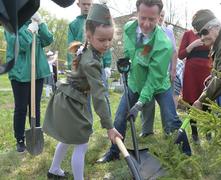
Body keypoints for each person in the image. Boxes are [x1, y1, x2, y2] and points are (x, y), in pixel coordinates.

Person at [43, 4, 122, 179]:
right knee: (81, 142)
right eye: (102, 40)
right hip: (71, 102)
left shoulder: (87, 48)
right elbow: (99, 96)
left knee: (67, 137)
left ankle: (54, 170)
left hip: (68, 99)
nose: (107, 44)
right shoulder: (91, 62)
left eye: (109, 39)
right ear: (89, 35)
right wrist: (109, 126)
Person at [97, 0, 182, 163]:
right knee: (120, 118)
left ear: (159, 18)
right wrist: (126, 62)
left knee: (171, 119)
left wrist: (141, 103)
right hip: (135, 82)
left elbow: (153, 78)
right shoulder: (129, 28)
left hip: (158, 85)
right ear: (137, 14)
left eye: (152, 19)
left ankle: (181, 154)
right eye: (143, 18)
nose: (146, 24)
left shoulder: (163, 44)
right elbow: (133, 52)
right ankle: (114, 151)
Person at [4, 12, 53, 153]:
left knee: (35, 105)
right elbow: (21, 45)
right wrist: (29, 31)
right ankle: (19, 139)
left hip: (36, 72)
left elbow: (48, 39)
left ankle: (35, 135)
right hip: (20, 72)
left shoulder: (35, 22)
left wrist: (41, 23)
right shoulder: (11, 25)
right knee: (21, 108)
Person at [139, 9, 178, 137]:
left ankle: (169, 130)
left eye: (162, 16)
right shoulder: (147, 33)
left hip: (163, 75)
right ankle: (146, 130)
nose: (160, 18)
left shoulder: (168, 32)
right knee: (148, 103)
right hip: (148, 74)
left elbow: (173, 51)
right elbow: (143, 52)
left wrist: (173, 70)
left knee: (167, 104)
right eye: (158, 16)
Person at [178, 18, 211, 143]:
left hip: (207, 71)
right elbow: (181, 55)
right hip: (191, 73)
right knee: (191, 101)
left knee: (208, 101)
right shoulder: (188, 34)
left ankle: (209, 132)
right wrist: (192, 45)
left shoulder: (209, 33)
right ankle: (195, 134)